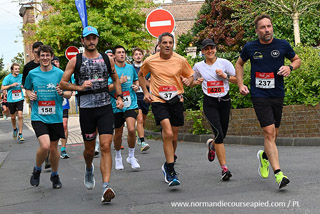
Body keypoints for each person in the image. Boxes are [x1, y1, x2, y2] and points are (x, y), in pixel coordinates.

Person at [235, 14, 301, 189]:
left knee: (274, 134)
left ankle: (264, 156)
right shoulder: (250, 47)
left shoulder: (282, 45)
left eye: (269, 26)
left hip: (277, 94)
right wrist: (241, 84)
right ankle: (279, 174)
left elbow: (297, 60)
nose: (267, 30)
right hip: (259, 95)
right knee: (269, 132)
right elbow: (239, 64)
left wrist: (290, 67)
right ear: (257, 30)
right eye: (263, 27)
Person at [59, 26, 123, 203]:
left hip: (105, 107)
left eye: (94, 38)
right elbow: (63, 83)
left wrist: (119, 97)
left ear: (98, 39)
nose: (91, 41)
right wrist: (79, 87)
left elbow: (116, 78)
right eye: (88, 38)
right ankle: (89, 167)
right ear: (83, 41)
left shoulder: (106, 59)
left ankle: (106, 186)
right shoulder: (75, 61)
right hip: (86, 109)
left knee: (105, 145)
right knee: (89, 150)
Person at [139, 32, 194, 187]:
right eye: (165, 43)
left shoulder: (180, 60)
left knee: (174, 137)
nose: (168, 45)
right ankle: (171, 170)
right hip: (158, 100)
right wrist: (146, 93)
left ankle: (168, 163)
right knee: (168, 133)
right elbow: (141, 75)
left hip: (176, 99)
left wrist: (189, 81)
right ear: (159, 44)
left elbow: (190, 75)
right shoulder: (150, 60)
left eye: (170, 42)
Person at [189, 39, 237, 181]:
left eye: (212, 48)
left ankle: (212, 145)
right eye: (207, 49)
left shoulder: (224, 63)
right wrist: (195, 82)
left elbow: (237, 79)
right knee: (219, 134)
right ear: (202, 51)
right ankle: (224, 169)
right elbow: (190, 82)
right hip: (210, 102)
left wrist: (225, 76)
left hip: (225, 101)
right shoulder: (198, 66)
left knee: (222, 133)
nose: (210, 51)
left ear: (216, 49)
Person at [24, 45, 72, 189]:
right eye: (42, 55)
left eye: (47, 55)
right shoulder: (32, 74)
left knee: (53, 149)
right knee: (44, 146)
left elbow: (69, 93)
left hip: (55, 116)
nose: (45, 58)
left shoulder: (59, 73)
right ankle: (37, 170)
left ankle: (55, 175)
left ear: (51, 57)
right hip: (38, 115)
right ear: (38, 58)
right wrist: (29, 94)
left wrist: (62, 93)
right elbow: (27, 88)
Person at [108, 45, 140, 170]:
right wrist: (118, 82)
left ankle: (131, 156)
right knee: (118, 132)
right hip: (115, 104)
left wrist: (136, 86)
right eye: (119, 52)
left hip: (130, 103)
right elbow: (107, 88)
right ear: (114, 55)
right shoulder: (111, 69)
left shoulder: (130, 68)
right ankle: (118, 156)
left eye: (123, 52)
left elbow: (136, 80)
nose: (122, 54)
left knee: (132, 130)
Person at [132, 48, 150, 152]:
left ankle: (139, 135)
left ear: (142, 56)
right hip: (135, 96)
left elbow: (150, 83)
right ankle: (143, 141)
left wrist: (143, 81)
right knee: (139, 119)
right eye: (136, 54)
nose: (138, 56)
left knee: (143, 119)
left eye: (140, 54)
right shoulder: (131, 68)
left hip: (145, 96)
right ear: (133, 56)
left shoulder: (147, 68)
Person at [52, 56, 70, 159]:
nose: (55, 63)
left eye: (57, 61)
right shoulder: (48, 74)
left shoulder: (64, 74)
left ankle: (63, 149)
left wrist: (66, 92)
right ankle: (53, 148)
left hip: (63, 102)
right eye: (53, 61)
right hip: (52, 104)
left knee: (64, 124)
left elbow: (69, 86)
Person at [1, 63, 25, 141]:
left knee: (20, 115)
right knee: (13, 117)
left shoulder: (21, 76)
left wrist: (23, 86)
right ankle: (15, 129)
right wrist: (11, 85)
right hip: (11, 99)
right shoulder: (8, 78)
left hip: (20, 98)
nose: (17, 70)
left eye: (18, 68)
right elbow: (2, 87)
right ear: (12, 70)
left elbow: (26, 84)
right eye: (16, 69)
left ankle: (20, 134)